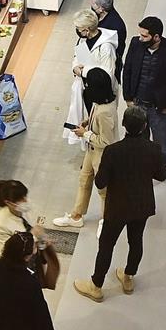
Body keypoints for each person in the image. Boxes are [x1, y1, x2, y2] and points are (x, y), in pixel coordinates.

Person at [74, 105, 166, 302]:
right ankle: (127, 277)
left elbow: (100, 182)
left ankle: (96, 286)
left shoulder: (112, 151)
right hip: (142, 204)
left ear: (124, 124)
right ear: (144, 126)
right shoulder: (153, 149)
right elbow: (160, 175)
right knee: (136, 242)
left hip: (117, 206)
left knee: (107, 245)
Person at [51, 68, 119, 228]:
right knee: (84, 180)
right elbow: (96, 118)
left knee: (104, 190)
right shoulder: (101, 103)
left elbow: (106, 141)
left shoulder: (105, 112)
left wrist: (85, 134)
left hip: (103, 155)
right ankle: (76, 216)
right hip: (92, 150)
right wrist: (88, 122)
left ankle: (105, 221)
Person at [122, 15, 166, 182]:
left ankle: (165, 166)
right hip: (137, 104)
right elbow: (127, 70)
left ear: (156, 37)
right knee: (139, 140)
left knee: (161, 140)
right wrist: (128, 97)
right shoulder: (136, 44)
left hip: (158, 108)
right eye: (140, 35)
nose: (140, 38)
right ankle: (142, 169)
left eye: (145, 36)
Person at [66, 12, 118, 129]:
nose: (77, 31)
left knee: (100, 125)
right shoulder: (83, 41)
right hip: (87, 88)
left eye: (79, 29)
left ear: (87, 29)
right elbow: (78, 59)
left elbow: (106, 75)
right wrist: (75, 68)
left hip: (101, 94)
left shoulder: (105, 47)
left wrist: (84, 72)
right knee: (89, 119)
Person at [0, 178, 44, 251]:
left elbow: (39, 219)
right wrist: (33, 236)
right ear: (8, 203)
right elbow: (9, 252)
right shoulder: (0, 225)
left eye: (25, 195)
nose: (26, 200)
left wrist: (41, 237)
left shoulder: (24, 209)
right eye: (20, 199)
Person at [89, 0, 127, 81]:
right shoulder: (94, 14)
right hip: (89, 57)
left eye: (93, 4)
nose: (90, 5)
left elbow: (115, 52)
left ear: (101, 9)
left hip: (103, 63)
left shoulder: (116, 26)